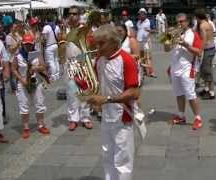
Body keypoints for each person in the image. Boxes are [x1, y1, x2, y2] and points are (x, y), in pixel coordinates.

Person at [86, 24, 140, 180]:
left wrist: (106, 99)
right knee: (107, 155)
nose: (98, 47)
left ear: (113, 42)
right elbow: (97, 84)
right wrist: (90, 95)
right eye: (97, 43)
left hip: (123, 117)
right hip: (106, 117)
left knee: (122, 160)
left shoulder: (126, 60)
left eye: (101, 43)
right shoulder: (99, 60)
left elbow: (134, 92)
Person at [166, 13, 203, 130]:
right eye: (177, 22)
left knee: (190, 95)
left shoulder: (193, 34)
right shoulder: (172, 33)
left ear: (187, 22)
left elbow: (199, 52)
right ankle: (181, 115)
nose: (179, 24)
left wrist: (186, 45)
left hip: (187, 68)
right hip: (174, 68)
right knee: (179, 94)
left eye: (182, 21)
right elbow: (166, 49)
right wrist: (168, 39)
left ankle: (198, 118)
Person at [11, 34, 50, 139]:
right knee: (24, 106)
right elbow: (13, 69)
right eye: (25, 44)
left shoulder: (37, 54)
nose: (27, 46)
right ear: (22, 44)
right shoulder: (18, 55)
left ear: (33, 44)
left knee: (39, 103)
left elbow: (44, 66)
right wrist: (21, 79)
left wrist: (36, 68)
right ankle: (26, 128)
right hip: (23, 82)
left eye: (29, 44)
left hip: (36, 82)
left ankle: (41, 125)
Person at [65, 6, 93, 131]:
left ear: (79, 15)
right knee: (72, 92)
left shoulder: (84, 30)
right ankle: (73, 119)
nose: (72, 16)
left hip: (82, 63)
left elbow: (88, 47)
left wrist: (82, 63)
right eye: (70, 13)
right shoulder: (65, 30)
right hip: (69, 64)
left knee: (84, 91)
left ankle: (85, 118)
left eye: (75, 14)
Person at [195, 9, 216, 99]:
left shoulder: (202, 26)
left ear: (198, 17)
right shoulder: (208, 23)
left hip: (208, 49)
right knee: (205, 70)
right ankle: (207, 89)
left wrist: (200, 51)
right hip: (211, 48)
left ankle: (211, 92)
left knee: (207, 71)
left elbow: (204, 39)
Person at [136, 8, 156, 78]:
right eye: (140, 13)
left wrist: (150, 30)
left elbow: (155, 30)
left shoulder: (149, 21)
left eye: (142, 13)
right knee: (141, 58)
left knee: (148, 57)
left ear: (145, 14)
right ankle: (144, 71)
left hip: (146, 42)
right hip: (139, 42)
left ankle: (151, 72)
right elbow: (138, 31)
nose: (141, 15)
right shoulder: (138, 22)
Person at [42, 16, 60, 81]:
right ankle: (57, 74)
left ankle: (53, 76)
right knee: (56, 60)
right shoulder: (57, 27)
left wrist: (43, 42)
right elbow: (58, 37)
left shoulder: (46, 27)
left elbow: (44, 38)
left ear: (47, 20)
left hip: (49, 46)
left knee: (51, 61)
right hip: (55, 45)